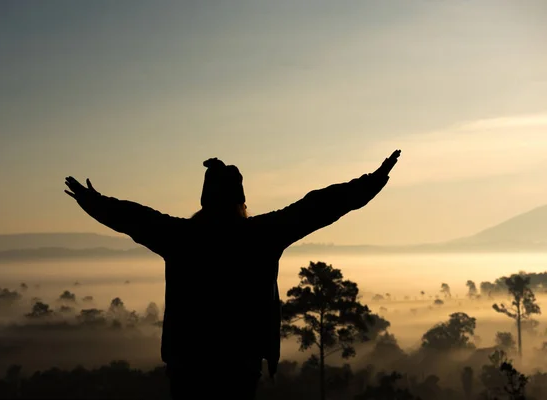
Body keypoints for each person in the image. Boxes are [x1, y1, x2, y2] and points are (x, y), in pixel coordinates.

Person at [64, 149, 401, 399]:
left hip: (188, 366)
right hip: (240, 364)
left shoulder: (182, 237)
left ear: (204, 202)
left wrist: (94, 201)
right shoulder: (261, 235)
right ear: (241, 201)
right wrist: (371, 183)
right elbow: (319, 206)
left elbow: (133, 218)